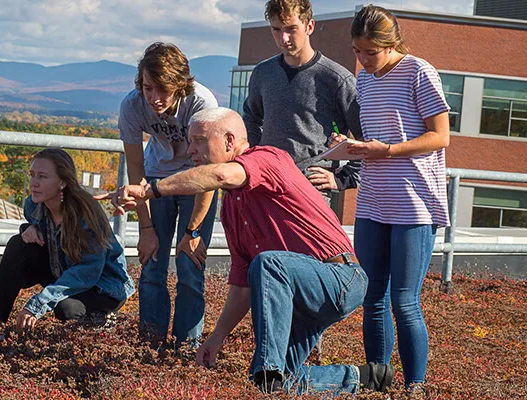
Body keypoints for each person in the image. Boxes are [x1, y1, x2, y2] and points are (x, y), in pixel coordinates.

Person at [101, 108, 394, 395]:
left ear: (230, 141)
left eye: (199, 140)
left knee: (268, 266)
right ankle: (359, 378)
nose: (190, 150)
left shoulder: (267, 158)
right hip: (298, 297)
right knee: (282, 384)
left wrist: (151, 190)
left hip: (339, 277)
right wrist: (215, 339)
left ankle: (268, 370)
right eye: (190, 141)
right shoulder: (231, 209)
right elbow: (241, 287)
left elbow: (219, 175)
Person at [340, 5, 451, 391]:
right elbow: (373, 136)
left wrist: (387, 150)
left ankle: (414, 387)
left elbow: (440, 137)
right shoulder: (364, 81)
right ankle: (376, 382)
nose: (364, 59)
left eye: (371, 52)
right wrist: (350, 148)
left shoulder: (420, 71)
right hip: (373, 200)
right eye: (358, 51)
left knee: (404, 302)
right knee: (371, 297)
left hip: (415, 202)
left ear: (391, 43)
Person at [119, 42, 219, 346]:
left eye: (163, 90)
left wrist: (193, 230)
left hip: (196, 180)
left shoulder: (202, 104)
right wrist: (146, 229)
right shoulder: (132, 105)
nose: (154, 98)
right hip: (155, 179)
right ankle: (151, 345)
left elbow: (210, 173)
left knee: (190, 266)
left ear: (180, 85)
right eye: (148, 88)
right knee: (152, 265)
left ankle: (186, 348)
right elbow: (135, 169)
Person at [0, 149, 135, 337]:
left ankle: (103, 320)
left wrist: (37, 305)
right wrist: (28, 228)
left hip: (101, 286)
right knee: (18, 244)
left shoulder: (87, 216)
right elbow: (36, 226)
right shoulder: (33, 205)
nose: (34, 183)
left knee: (66, 309)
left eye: (42, 176)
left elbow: (87, 272)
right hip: (63, 270)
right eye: (32, 175)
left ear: (62, 182)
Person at [242, 0, 362, 202]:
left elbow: (366, 136)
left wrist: (343, 178)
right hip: (267, 184)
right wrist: (256, 159)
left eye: (291, 29)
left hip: (312, 191)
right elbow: (251, 120)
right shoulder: (262, 73)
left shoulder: (337, 79)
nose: (283, 38)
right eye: (276, 29)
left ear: (310, 27)